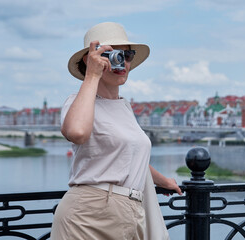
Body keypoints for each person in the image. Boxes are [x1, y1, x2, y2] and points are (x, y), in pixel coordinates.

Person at [50, 22, 182, 240]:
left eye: (127, 55)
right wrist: (92, 75)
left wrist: (163, 181)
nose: (122, 62)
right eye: (113, 55)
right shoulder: (77, 102)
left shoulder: (125, 106)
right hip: (87, 215)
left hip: (129, 213)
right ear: (90, 59)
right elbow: (77, 133)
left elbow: (130, 156)